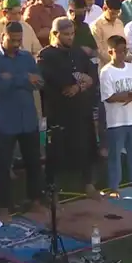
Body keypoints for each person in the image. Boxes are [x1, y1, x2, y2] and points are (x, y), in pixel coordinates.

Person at [0, 21, 45, 224]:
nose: (17, 44)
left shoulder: (26, 57)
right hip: (5, 119)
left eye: (19, 40)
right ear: (3, 37)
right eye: (13, 40)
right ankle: (3, 206)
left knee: (34, 161)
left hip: (27, 117)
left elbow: (39, 82)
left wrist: (13, 78)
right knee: (2, 165)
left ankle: (35, 199)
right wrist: (25, 78)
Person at [37, 18, 99, 199]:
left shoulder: (78, 52)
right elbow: (54, 79)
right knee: (56, 150)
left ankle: (88, 183)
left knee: (85, 146)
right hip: (59, 111)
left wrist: (79, 86)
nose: (70, 37)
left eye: (72, 34)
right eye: (66, 34)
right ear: (55, 34)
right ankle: (52, 188)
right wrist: (77, 81)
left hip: (81, 108)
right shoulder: (46, 55)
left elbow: (91, 74)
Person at [99, 36, 132, 194]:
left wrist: (131, 95)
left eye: (124, 51)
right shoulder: (106, 72)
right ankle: (114, 186)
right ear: (110, 52)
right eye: (118, 51)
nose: (122, 54)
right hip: (116, 121)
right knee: (115, 155)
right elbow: (109, 97)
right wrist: (131, 95)